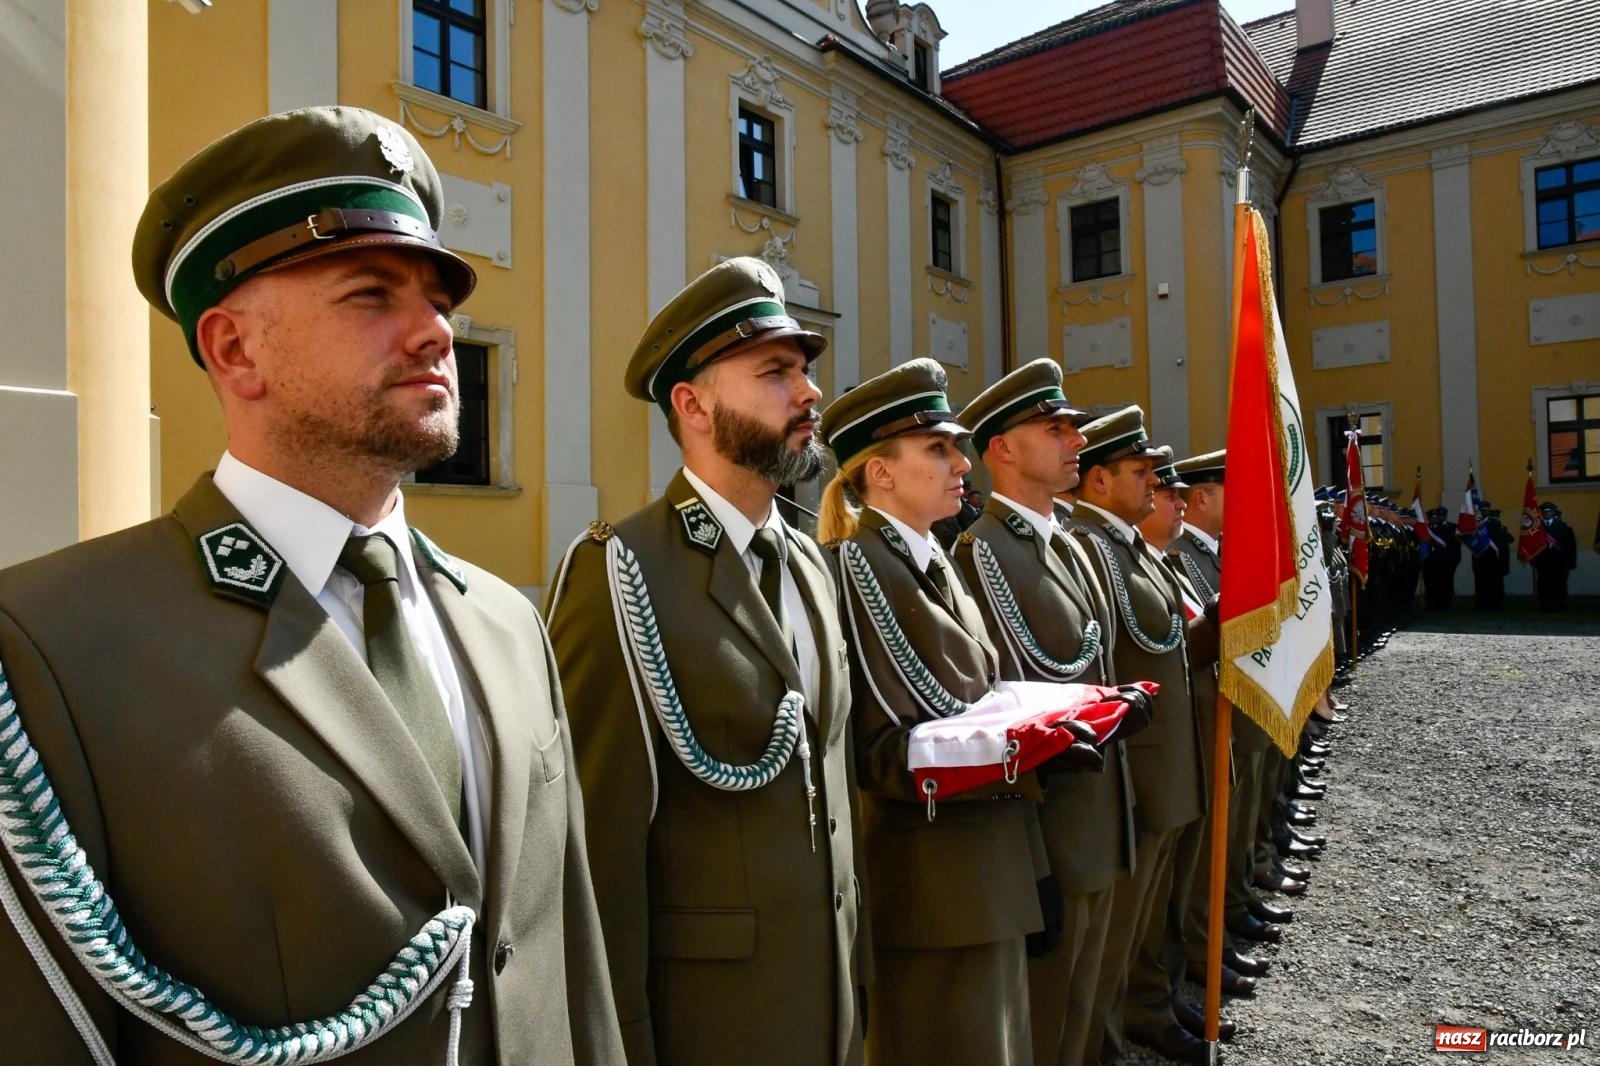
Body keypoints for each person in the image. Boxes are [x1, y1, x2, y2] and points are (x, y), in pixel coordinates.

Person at [0, 107, 622, 1064]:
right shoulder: (55, 644)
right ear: (235, 350)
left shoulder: (507, 622)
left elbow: (568, 963)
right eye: (371, 295)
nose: (435, 333)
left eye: (439, 301)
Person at [545, 257, 865, 1065]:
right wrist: (619, 1045)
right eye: (776, 372)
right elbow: (598, 851)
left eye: (805, 370)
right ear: (693, 405)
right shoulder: (620, 572)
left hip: (827, 999)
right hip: (712, 1020)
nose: (810, 393)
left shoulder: (810, 563)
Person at [818, 359, 1049, 1066]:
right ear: (880, 472)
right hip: (932, 883)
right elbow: (881, 744)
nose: (962, 464)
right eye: (938, 449)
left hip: (987, 863)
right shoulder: (858, 567)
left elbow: (974, 696)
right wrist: (1021, 739)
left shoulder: (932, 560)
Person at [951, 360, 1142, 1066]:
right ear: (1002, 449)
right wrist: (1033, 861)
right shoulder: (984, 553)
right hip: (1054, 828)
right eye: (1055, 429)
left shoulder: (1069, 544)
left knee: (1086, 1011)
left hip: (1101, 816)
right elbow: (1002, 707)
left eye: (1073, 429)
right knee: (1047, 1021)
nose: (1076, 441)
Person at [1062, 407, 1215, 1065]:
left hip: (1164, 760)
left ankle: (1144, 1008)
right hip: (1136, 767)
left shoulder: (1130, 549)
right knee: (1115, 933)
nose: (1156, 483)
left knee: (1143, 919)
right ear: (1098, 481)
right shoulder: (1095, 548)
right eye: (1140, 471)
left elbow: (1169, 643)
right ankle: (1114, 1032)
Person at [1532, 502, 1578, 612]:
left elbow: (1570, 548)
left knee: (1560, 585)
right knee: (1543, 585)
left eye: (1548, 511)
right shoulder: (1537, 529)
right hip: (1542, 562)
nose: (1546, 513)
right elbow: (1532, 545)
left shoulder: (1565, 528)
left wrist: (1570, 563)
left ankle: (1560, 606)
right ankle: (1544, 607)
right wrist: (1533, 560)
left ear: (1554, 512)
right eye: (1544, 512)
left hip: (1560, 563)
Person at [1423, 507, 1462, 610]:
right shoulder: (1428, 529)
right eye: (1435, 516)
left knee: (1446, 583)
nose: (1437, 518)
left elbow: (1455, 546)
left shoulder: (1450, 527)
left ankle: (1445, 604)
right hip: (1431, 561)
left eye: (1438, 516)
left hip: (1446, 561)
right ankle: (1432, 604)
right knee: (1431, 584)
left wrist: (1455, 560)